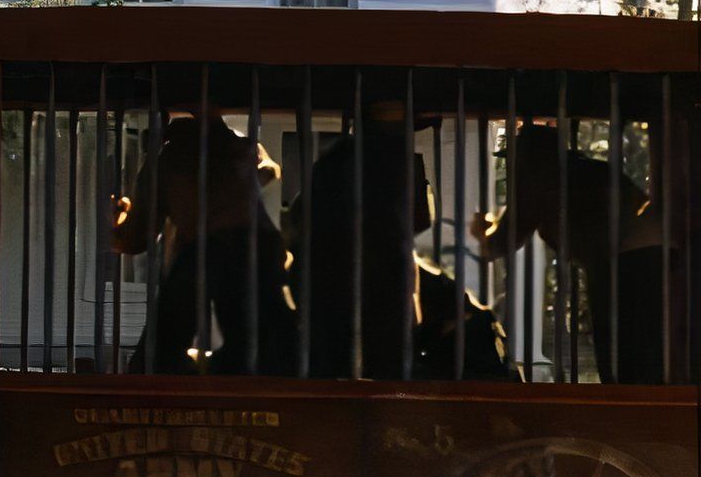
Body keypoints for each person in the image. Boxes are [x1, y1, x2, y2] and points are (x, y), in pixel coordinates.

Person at [471, 124, 666, 383]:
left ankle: (627, 405)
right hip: (654, 257)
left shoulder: (542, 182)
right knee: (646, 348)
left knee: (621, 352)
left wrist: (477, 233)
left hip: (622, 264)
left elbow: (504, 241)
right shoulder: (592, 170)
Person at [113, 115, 293, 375]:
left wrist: (116, 218)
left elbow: (134, 238)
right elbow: (269, 171)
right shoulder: (241, 148)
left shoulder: (168, 160)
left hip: (211, 248)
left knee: (158, 355)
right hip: (260, 247)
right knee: (266, 349)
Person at [282, 99, 434, 379]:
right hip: (369, 303)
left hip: (330, 306)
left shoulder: (333, 163)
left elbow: (299, 222)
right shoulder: (389, 165)